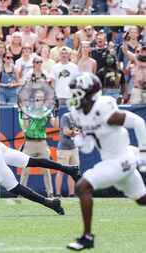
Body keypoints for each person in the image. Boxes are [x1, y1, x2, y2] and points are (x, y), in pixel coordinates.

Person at [66, 73, 146, 251]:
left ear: (90, 93)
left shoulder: (104, 108)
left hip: (122, 159)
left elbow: (139, 122)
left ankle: (87, 237)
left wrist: (143, 154)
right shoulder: (78, 113)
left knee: (82, 187)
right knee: (142, 199)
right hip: (112, 161)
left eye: (77, 92)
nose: (74, 96)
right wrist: (80, 140)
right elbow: (87, 147)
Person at [18, 89, 58, 198]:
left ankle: (50, 194)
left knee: (46, 170)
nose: (39, 100)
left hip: (42, 143)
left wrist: (56, 111)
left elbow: (56, 125)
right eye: (37, 98)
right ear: (34, 99)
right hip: (29, 143)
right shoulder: (29, 110)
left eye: (41, 98)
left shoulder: (47, 111)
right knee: (25, 170)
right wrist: (25, 114)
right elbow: (25, 126)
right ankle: (21, 194)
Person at [55, 112, 80, 197]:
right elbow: (66, 132)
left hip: (74, 147)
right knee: (61, 171)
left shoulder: (78, 116)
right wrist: (77, 133)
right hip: (63, 148)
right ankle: (58, 194)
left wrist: (77, 132)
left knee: (73, 172)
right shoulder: (66, 116)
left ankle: (72, 194)